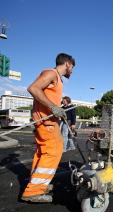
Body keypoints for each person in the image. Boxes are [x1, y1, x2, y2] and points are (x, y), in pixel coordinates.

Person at [21, 53, 75, 203]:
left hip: (47, 121)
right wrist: (52, 107)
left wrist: (57, 107)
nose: (72, 71)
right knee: (53, 152)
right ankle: (33, 191)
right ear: (68, 64)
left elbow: (41, 97)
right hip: (47, 123)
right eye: (73, 67)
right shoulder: (51, 73)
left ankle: (38, 184)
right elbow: (33, 88)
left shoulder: (56, 78)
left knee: (43, 152)